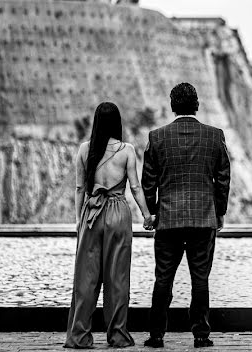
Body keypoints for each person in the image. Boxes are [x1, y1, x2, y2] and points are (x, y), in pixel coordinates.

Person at [142, 82, 231, 349]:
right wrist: (220, 212)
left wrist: (153, 212)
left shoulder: (157, 137)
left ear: (172, 106)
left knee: (163, 278)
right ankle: (201, 336)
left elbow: (149, 181)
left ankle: (156, 335)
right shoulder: (214, 136)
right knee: (200, 278)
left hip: (168, 220)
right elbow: (223, 179)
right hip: (203, 219)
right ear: (197, 105)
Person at [65, 102, 154, 349]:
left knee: (86, 278)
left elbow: (80, 188)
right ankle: (117, 335)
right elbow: (135, 187)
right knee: (117, 277)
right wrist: (147, 215)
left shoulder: (85, 149)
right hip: (118, 213)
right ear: (117, 122)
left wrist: (78, 220)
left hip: (92, 214)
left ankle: (80, 336)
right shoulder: (126, 150)